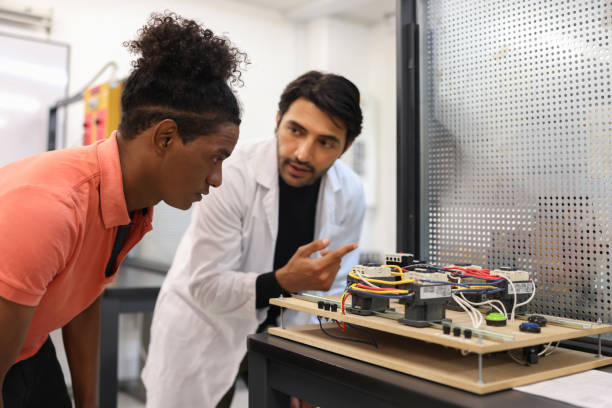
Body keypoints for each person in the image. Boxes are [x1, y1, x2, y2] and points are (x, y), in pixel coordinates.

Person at [0, 12, 247, 408]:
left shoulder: (131, 204)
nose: (216, 178)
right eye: (215, 157)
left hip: (28, 349)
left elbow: (84, 298)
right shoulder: (51, 208)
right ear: (166, 137)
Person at [142, 70, 365, 407]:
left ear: (346, 146)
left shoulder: (350, 192)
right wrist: (282, 281)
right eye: (295, 131)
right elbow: (206, 285)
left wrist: (315, 362)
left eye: (325, 142)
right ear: (277, 121)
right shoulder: (230, 173)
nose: (303, 153)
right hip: (206, 327)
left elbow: (335, 288)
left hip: (284, 338)